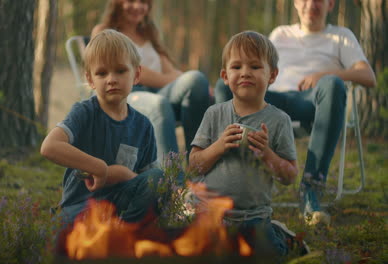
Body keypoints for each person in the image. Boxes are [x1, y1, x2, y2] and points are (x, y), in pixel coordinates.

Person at [214, 0, 376, 225]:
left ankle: (311, 189)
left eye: (318, 0)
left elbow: (368, 76)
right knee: (223, 87)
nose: (311, 4)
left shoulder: (341, 36)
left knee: (333, 84)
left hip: (310, 102)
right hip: (271, 100)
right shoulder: (280, 34)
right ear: (296, 3)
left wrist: (325, 74)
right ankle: (232, 183)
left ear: (330, 4)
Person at [189, 31, 303, 257]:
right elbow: (193, 167)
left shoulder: (280, 121)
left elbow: (289, 177)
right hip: (211, 215)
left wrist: (267, 154)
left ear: (272, 75)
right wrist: (219, 146)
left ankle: (279, 236)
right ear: (224, 75)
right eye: (237, 67)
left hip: (254, 218)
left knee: (267, 256)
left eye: (255, 67)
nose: (245, 73)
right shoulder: (214, 114)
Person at [40, 29, 163, 226]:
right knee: (67, 230)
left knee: (160, 178)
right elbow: (49, 147)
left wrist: (122, 175)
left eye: (120, 71)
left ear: (136, 74)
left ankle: (126, 233)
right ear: (90, 80)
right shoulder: (84, 112)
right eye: (102, 73)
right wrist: (100, 168)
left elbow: (148, 182)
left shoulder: (143, 126)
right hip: (81, 207)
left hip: (122, 207)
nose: (111, 79)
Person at [92, 0, 210, 162]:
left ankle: (198, 166)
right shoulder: (105, 32)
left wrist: (198, 84)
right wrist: (171, 79)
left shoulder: (148, 34)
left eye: (144, 2)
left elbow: (170, 71)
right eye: (131, 1)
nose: (138, 6)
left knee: (196, 80)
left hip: (160, 91)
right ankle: (172, 182)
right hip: (128, 95)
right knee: (159, 103)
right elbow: (133, 72)